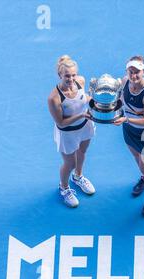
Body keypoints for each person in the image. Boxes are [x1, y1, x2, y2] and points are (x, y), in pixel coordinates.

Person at [113, 56, 144, 217]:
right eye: (131, 71)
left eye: (137, 72)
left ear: (143, 71)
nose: (133, 75)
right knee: (136, 157)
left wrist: (126, 118)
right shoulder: (125, 81)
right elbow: (120, 100)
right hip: (129, 130)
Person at [47, 55, 96, 208]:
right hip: (67, 132)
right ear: (60, 75)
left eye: (73, 75)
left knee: (82, 153)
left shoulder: (80, 81)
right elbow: (60, 122)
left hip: (85, 126)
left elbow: (84, 98)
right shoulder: (54, 98)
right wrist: (81, 115)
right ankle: (64, 187)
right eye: (67, 76)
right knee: (70, 163)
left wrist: (98, 101)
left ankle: (78, 177)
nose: (71, 78)